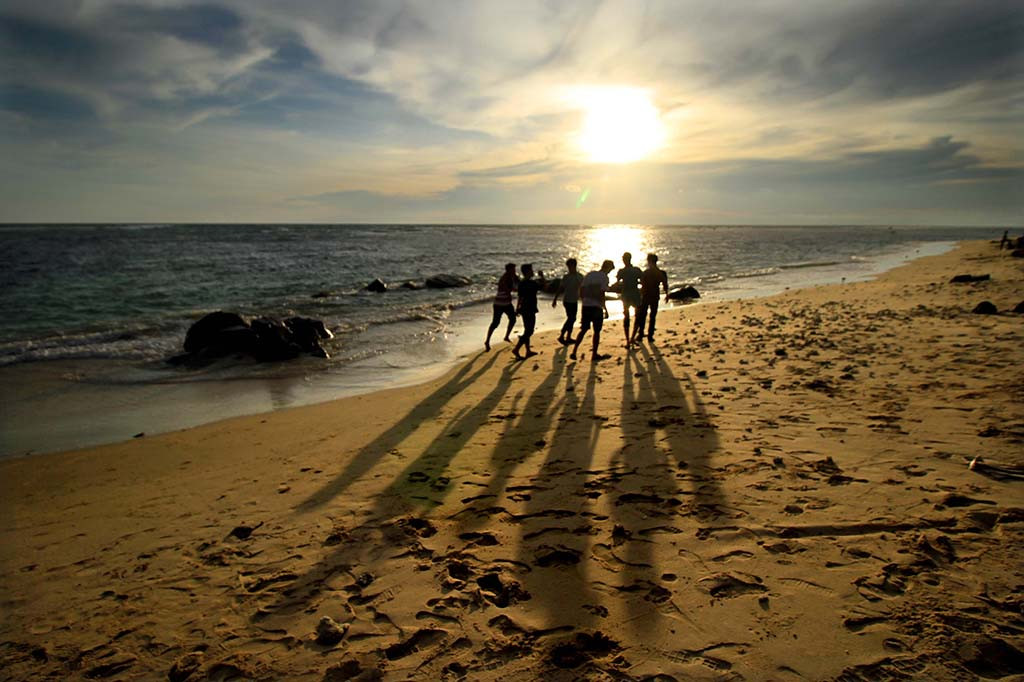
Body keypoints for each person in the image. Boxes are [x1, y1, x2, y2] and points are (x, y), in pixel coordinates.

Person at [571, 260, 615, 362]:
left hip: (586, 305)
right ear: (608, 268)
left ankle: (574, 351)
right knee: (597, 331)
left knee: (584, 329)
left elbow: (581, 289)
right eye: (610, 270)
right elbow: (601, 294)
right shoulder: (604, 277)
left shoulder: (590, 274)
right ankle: (594, 354)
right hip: (596, 306)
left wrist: (584, 300)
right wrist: (605, 309)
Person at [632, 253, 670, 344]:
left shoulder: (646, 273)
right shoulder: (661, 273)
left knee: (643, 315)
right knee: (653, 316)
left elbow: (642, 283)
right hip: (655, 295)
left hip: (645, 295)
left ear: (649, 261)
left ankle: (641, 334)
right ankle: (650, 335)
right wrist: (667, 294)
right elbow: (665, 284)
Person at [485, 263, 518, 351]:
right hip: (500, 303)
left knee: (512, 319)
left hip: (506, 302)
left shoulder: (511, 277)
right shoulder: (506, 278)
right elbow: (509, 289)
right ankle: (487, 341)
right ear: (509, 270)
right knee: (495, 323)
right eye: (513, 269)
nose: (515, 271)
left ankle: (506, 336)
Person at [551, 258, 584, 345]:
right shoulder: (566, 277)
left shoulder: (579, 276)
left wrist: (584, 297)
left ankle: (568, 336)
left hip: (574, 300)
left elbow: (583, 287)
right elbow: (560, 288)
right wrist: (555, 299)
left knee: (572, 319)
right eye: (568, 266)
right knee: (571, 318)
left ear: (574, 266)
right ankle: (562, 335)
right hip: (567, 301)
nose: (570, 268)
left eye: (571, 266)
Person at [512, 263, 540, 360]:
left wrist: (517, 308)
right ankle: (517, 349)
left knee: (527, 329)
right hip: (530, 308)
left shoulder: (522, 283)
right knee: (529, 331)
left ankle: (528, 350)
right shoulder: (532, 283)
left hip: (524, 308)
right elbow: (545, 287)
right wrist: (542, 277)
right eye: (531, 270)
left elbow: (520, 297)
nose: (533, 272)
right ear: (528, 272)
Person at [616, 252, 643, 348]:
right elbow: (642, 281)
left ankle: (628, 339)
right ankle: (631, 338)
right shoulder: (636, 270)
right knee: (637, 316)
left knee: (626, 316)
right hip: (635, 294)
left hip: (626, 294)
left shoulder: (622, 271)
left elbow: (618, 282)